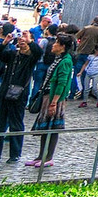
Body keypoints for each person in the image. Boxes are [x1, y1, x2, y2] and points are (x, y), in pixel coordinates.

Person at [0, 32, 41, 163]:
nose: (22, 40)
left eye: (25, 39)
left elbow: (38, 52)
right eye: (21, 39)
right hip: (4, 92)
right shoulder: (13, 54)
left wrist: (29, 41)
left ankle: (15, 154)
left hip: (19, 95)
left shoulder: (31, 58)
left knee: (16, 124)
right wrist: (5, 42)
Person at [25, 35, 71, 168]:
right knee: (45, 128)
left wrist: (54, 102)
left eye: (56, 43)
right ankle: (41, 156)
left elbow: (62, 82)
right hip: (48, 96)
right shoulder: (58, 59)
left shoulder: (65, 61)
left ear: (62, 46)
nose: (53, 45)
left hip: (54, 99)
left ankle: (48, 157)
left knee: (52, 127)